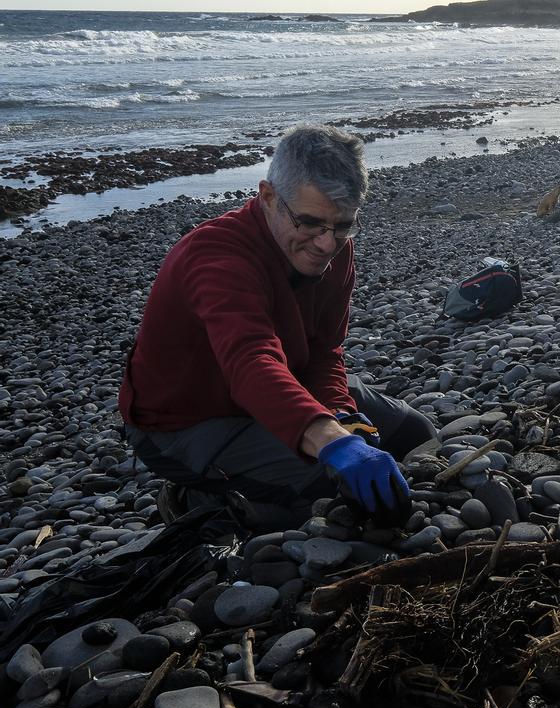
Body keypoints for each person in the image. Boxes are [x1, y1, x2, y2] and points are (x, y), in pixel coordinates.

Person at [119, 124, 436, 530]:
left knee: (416, 435)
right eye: (309, 223)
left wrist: (339, 412)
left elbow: (324, 352)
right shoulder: (217, 256)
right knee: (329, 495)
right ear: (268, 196)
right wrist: (330, 438)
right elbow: (250, 361)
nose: (326, 244)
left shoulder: (335, 249)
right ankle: (194, 499)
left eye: (342, 226)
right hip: (185, 421)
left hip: (284, 385)